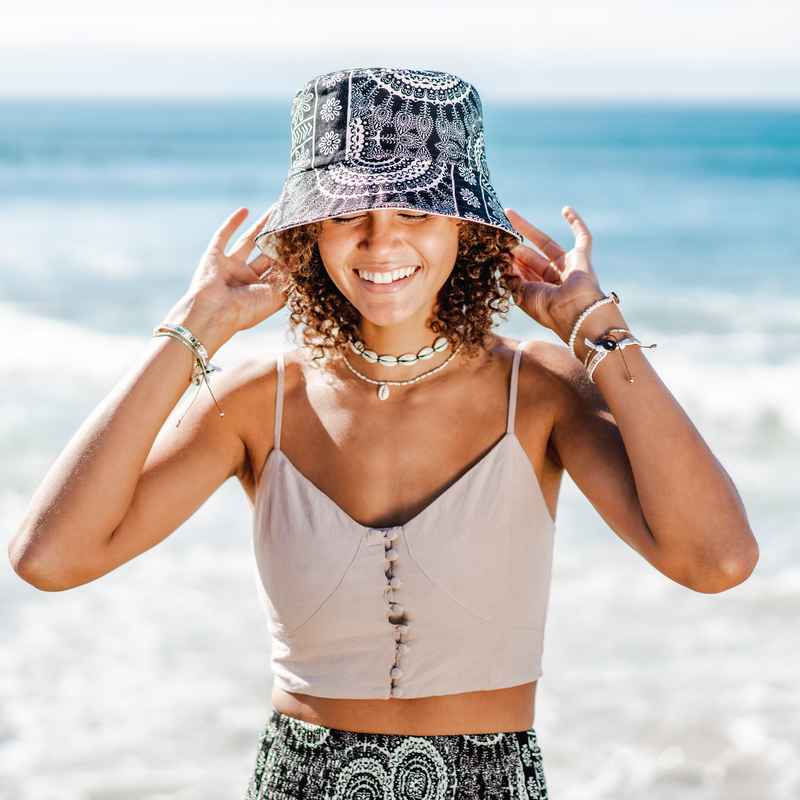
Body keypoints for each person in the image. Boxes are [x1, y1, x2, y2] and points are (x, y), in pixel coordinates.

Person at [9, 68, 758, 799]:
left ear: (465, 228)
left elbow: (715, 560)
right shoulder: (256, 401)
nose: (379, 242)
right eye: (346, 214)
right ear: (308, 233)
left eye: (415, 212)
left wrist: (597, 329)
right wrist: (192, 331)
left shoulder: (539, 392)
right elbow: (50, 558)